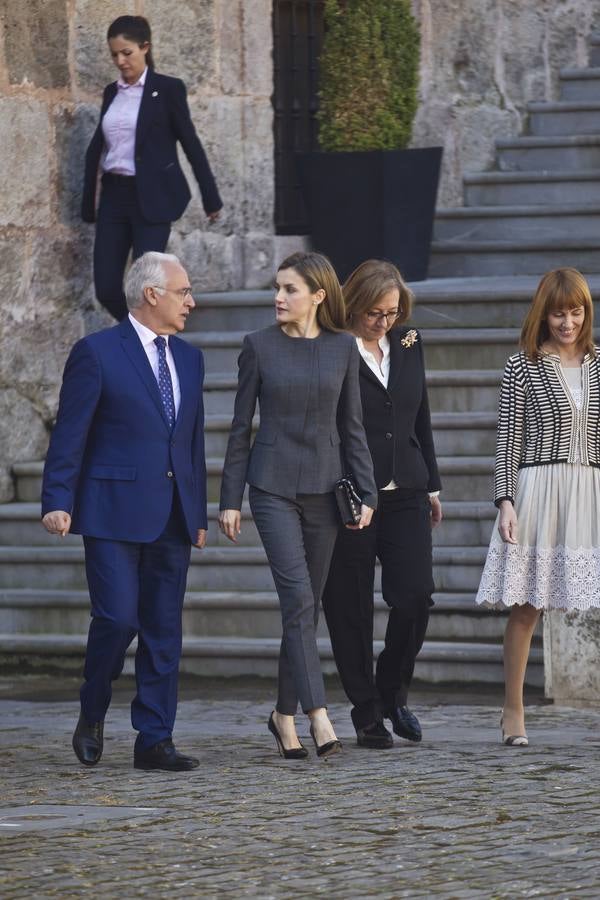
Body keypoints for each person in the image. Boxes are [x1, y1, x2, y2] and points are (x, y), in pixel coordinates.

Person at [41, 251, 208, 772]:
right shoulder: (96, 353)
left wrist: (198, 511)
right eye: (183, 291)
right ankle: (93, 708)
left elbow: (192, 443)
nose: (191, 301)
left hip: (173, 515)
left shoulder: (190, 358)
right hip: (110, 510)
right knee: (116, 618)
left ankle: (154, 739)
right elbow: (71, 432)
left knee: (163, 629)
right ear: (152, 294)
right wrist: (56, 500)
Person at [218, 251, 378, 759]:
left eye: (289, 289)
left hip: (327, 493)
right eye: (277, 288)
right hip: (272, 490)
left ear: (318, 295)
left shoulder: (343, 349)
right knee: (298, 600)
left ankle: (282, 716)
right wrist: (230, 499)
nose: (279, 297)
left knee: (303, 613)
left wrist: (368, 491)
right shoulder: (257, 347)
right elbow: (240, 427)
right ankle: (318, 715)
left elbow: (352, 428)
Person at [476, 267, 600, 746]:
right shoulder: (521, 365)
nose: (567, 322)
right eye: (557, 313)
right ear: (542, 314)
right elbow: (508, 438)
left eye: (576, 312)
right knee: (528, 606)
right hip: (538, 490)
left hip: (589, 488)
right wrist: (505, 501)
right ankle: (513, 710)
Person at [321, 260, 442, 749]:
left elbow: (422, 417)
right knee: (349, 606)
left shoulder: (409, 344)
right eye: (374, 313)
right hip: (349, 494)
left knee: (415, 596)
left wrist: (432, 485)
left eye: (392, 313)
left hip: (407, 491)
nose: (384, 322)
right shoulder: (331, 347)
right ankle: (366, 710)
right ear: (353, 304)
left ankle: (393, 694)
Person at [82, 15, 222, 321]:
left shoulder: (168, 89)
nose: (120, 61)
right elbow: (100, 147)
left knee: (146, 286)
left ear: (145, 47)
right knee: (106, 287)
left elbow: (191, 144)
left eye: (126, 53)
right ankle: (141, 336)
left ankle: (150, 347)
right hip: (114, 198)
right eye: (114, 55)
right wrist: (88, 201)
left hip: (153, 198)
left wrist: (211, 198)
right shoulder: (112, 93)